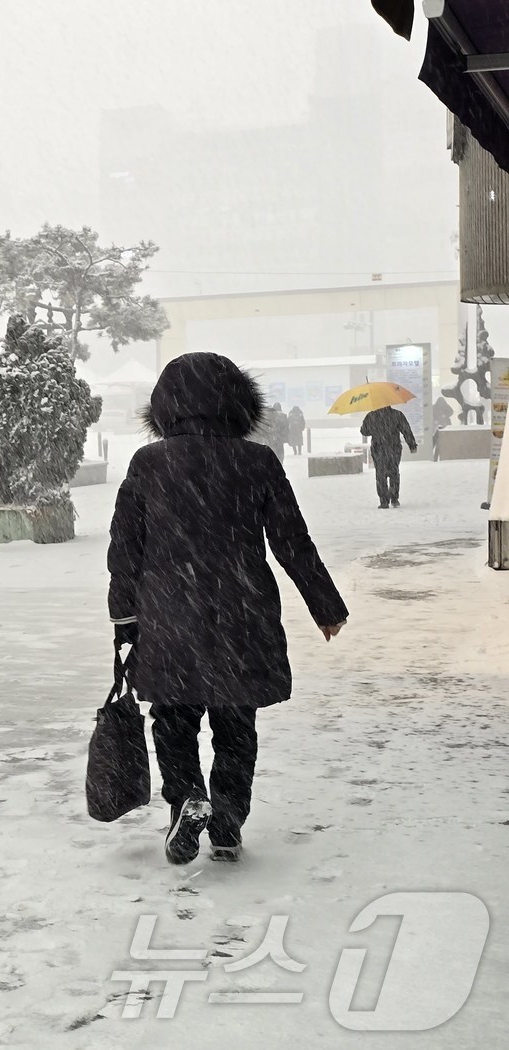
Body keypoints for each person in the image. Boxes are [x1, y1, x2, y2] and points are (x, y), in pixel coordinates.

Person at [108, 353, 348, 865]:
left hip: (170, 616)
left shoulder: (150, 464)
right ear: (237, 402)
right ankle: (229, 819)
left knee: (173, 720)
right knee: (236, 725)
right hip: (243, 613)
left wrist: (124, 616)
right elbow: (292, 541)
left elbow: (125, 545)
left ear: (165, 405)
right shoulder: (256, 461)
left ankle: (187, 798)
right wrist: (325, 606)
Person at [360, 405, 418, 508]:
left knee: (380, 475)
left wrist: (374, 426)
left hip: (378, 449)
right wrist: (412, 444)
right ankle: (394, 499)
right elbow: (406, 430)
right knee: (394, 472)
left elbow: (364, 431)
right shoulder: (397, 414)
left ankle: (384, 501)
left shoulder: (372, 416)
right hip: (394, 448)